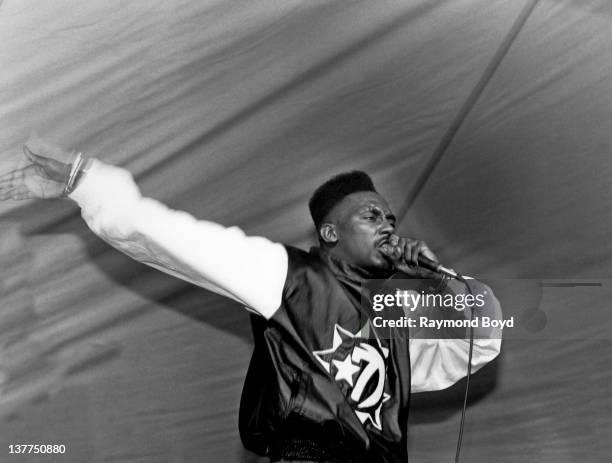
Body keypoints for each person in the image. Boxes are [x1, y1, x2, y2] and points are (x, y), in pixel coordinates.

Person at [0, 135, 502, 463]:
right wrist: (85, 182)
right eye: (372, 216)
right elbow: (171, 240)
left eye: (390, 219)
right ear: (330, 232)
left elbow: (479, 347)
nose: (388, 225)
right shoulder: (287, 276)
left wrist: (443, 282)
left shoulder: (389, 327)